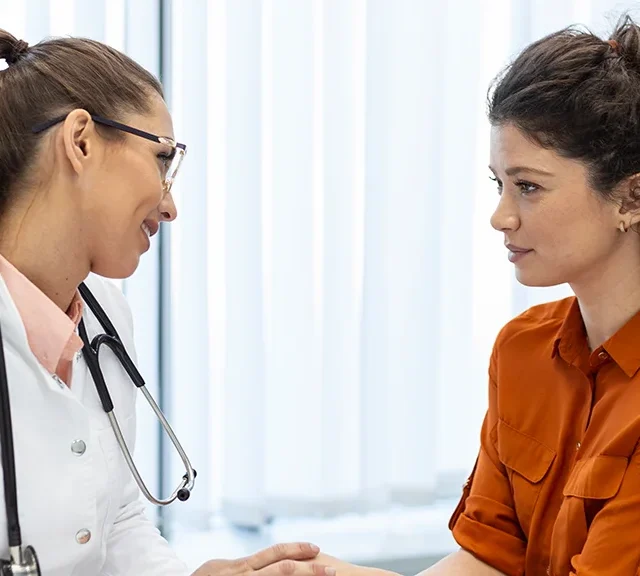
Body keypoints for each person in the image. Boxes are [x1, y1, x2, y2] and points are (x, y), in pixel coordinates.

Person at [304, 12, 640, 576]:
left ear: (630, 199)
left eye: (528, 187)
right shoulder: (523, 350)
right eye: (499, 184)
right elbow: (491, 558)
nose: (499, 216)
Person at [0, 29, 341, 576]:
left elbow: (114, 522)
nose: (170, 204)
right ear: (81, 141)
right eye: (162, 159)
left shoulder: (105, 317)